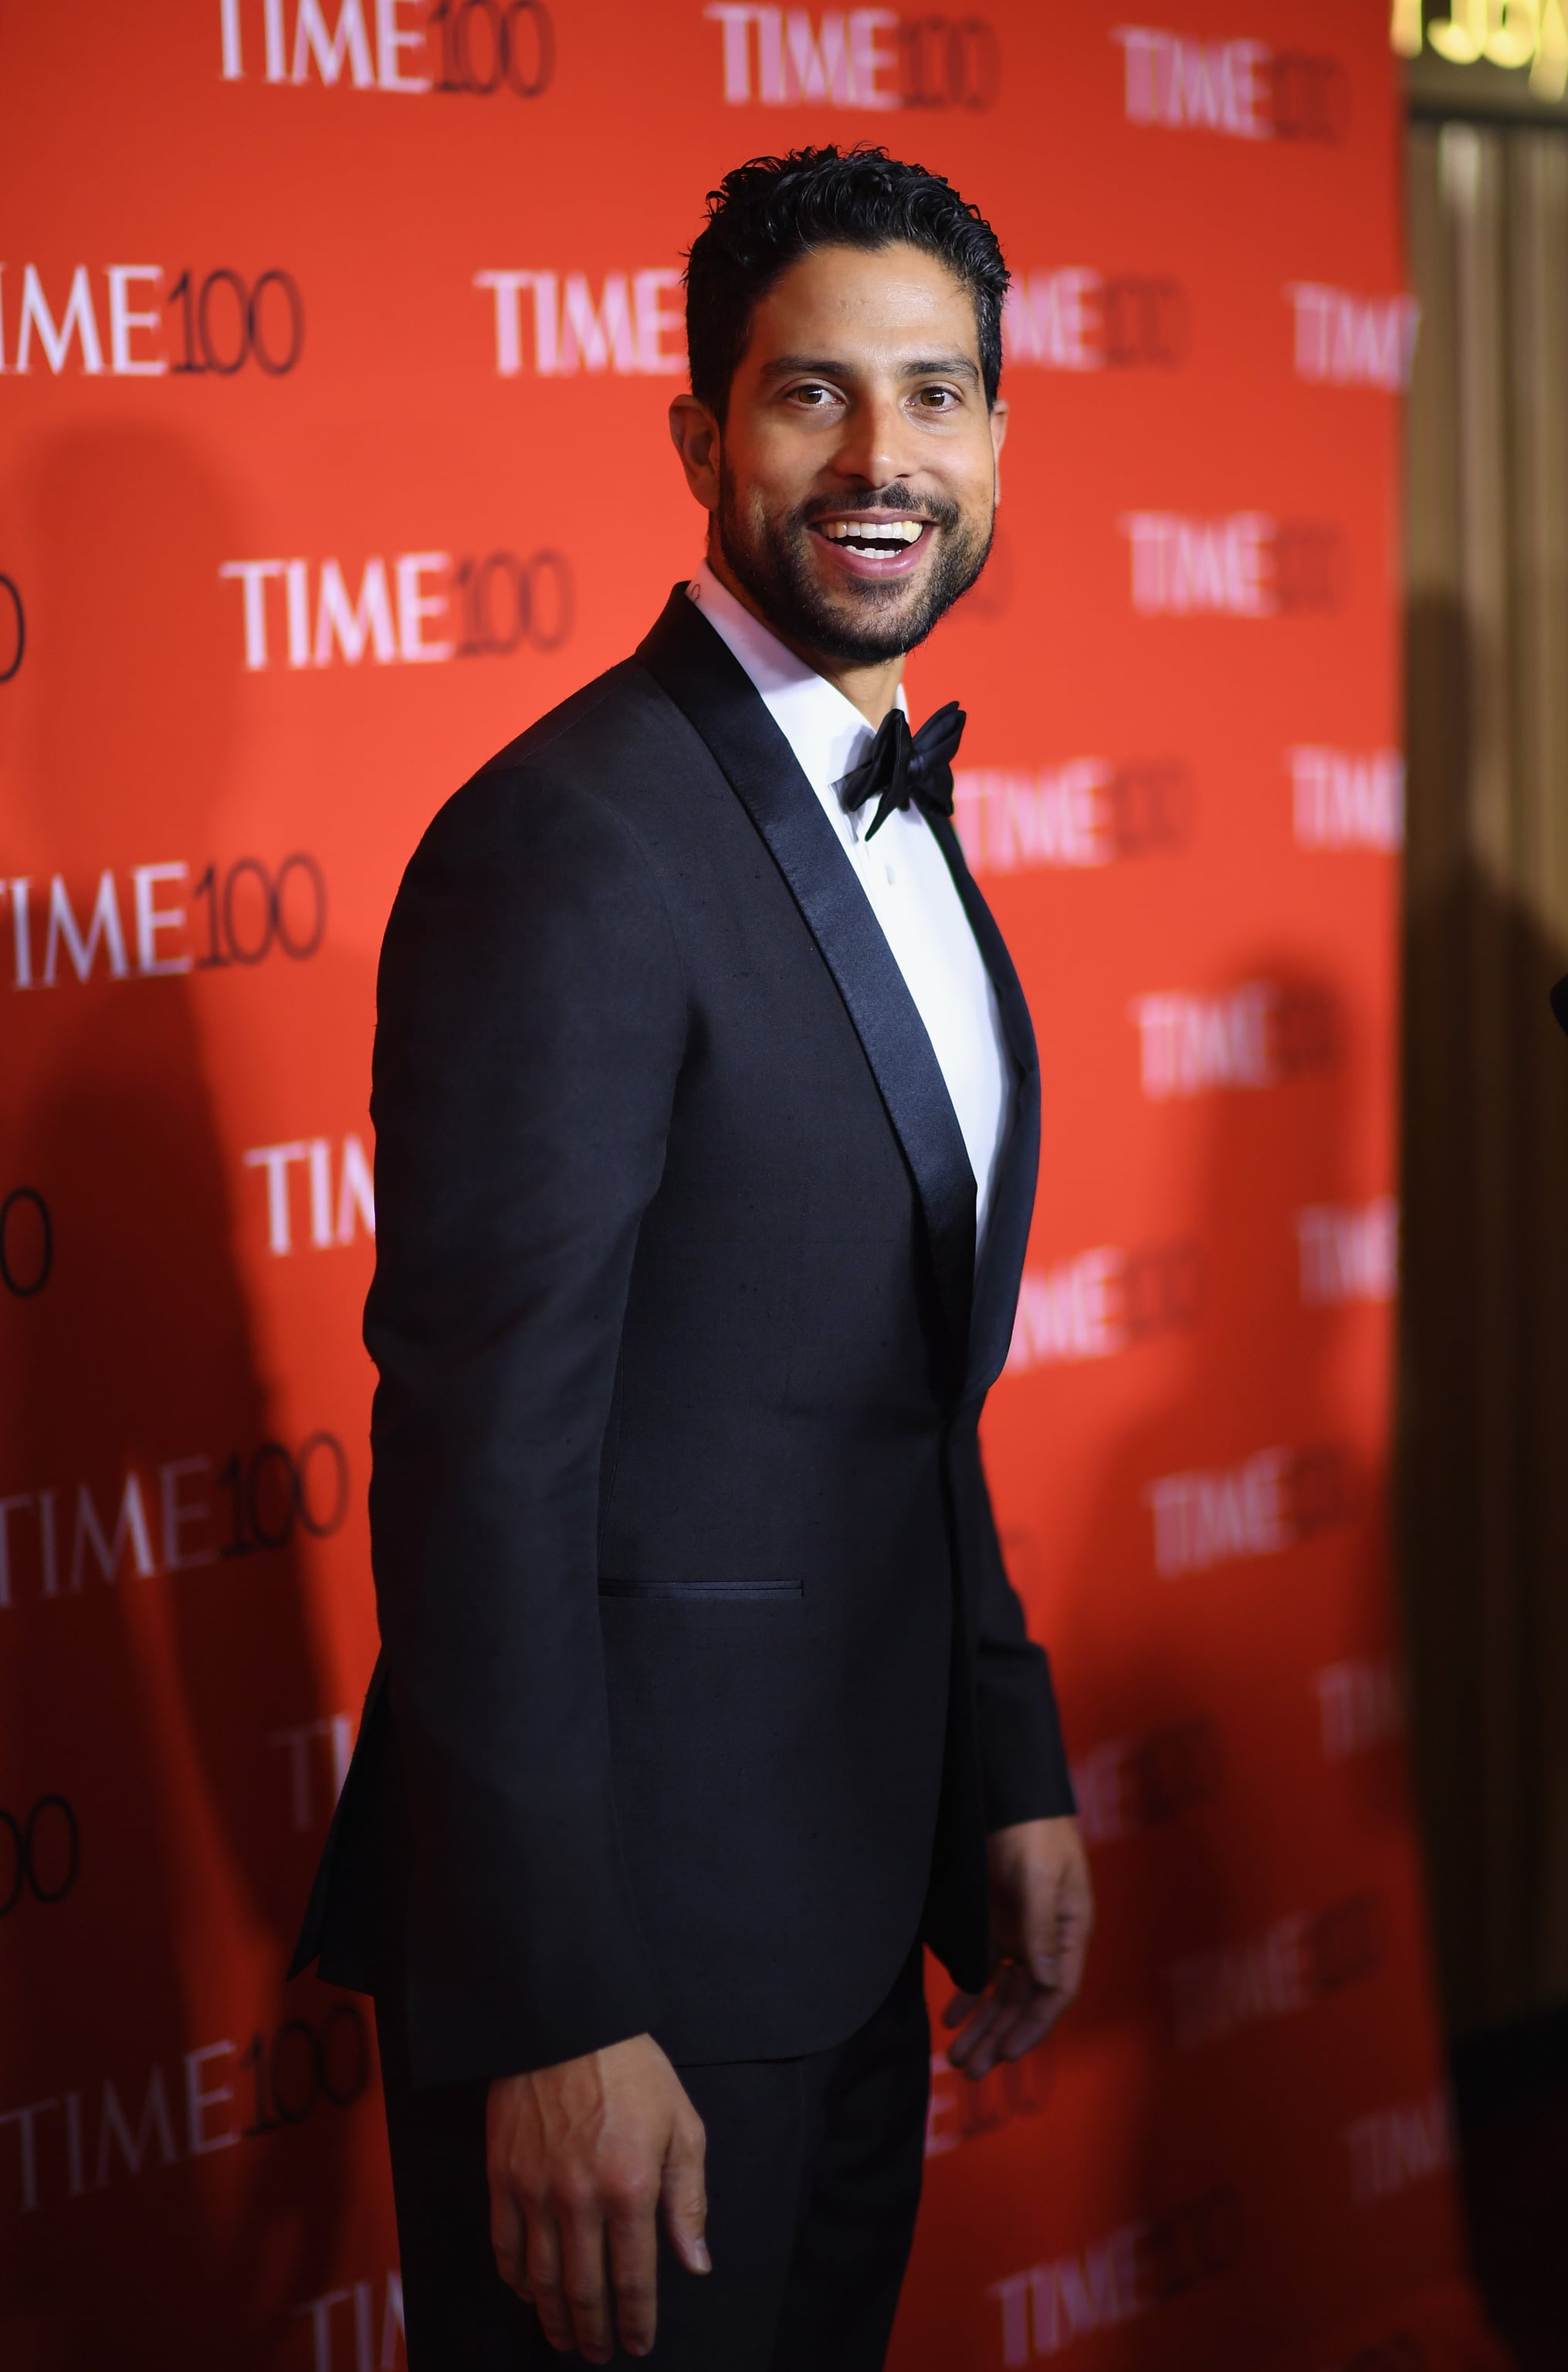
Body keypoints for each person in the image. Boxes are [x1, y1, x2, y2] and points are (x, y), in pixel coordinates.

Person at [293, 145, 1092, 2370]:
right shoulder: (567, 844)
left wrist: (1003, 1759)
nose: (882, 462)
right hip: (626, 1976)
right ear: (698, 440)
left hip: (850, 1916)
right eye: (810, 398)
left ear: (1001, 438)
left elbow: (901, 1388)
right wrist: (550, 2008)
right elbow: (481, 1467)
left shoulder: (895, 809)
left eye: (934, 397)